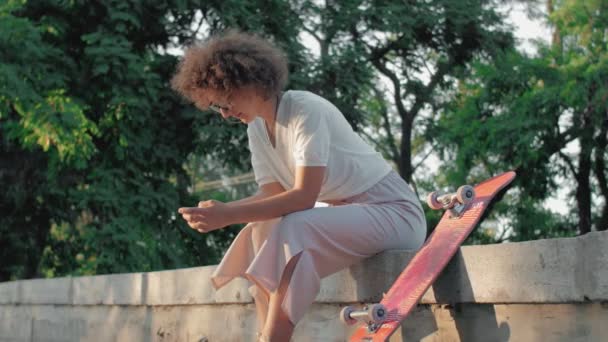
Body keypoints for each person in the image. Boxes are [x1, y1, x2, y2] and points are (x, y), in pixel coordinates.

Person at [171, 30, 426, 342]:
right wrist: (226, 212)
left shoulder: (305, 109)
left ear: (249, 81)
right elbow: (273, 194)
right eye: (217, 107)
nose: (225, 114)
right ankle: (266, 332)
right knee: (258, 230)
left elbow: (304, 197)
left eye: (225, 100)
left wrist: (227, 213)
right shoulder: (257, 130)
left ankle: (275, 338)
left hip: (394, 213)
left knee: (296, 227)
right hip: (352, 215)